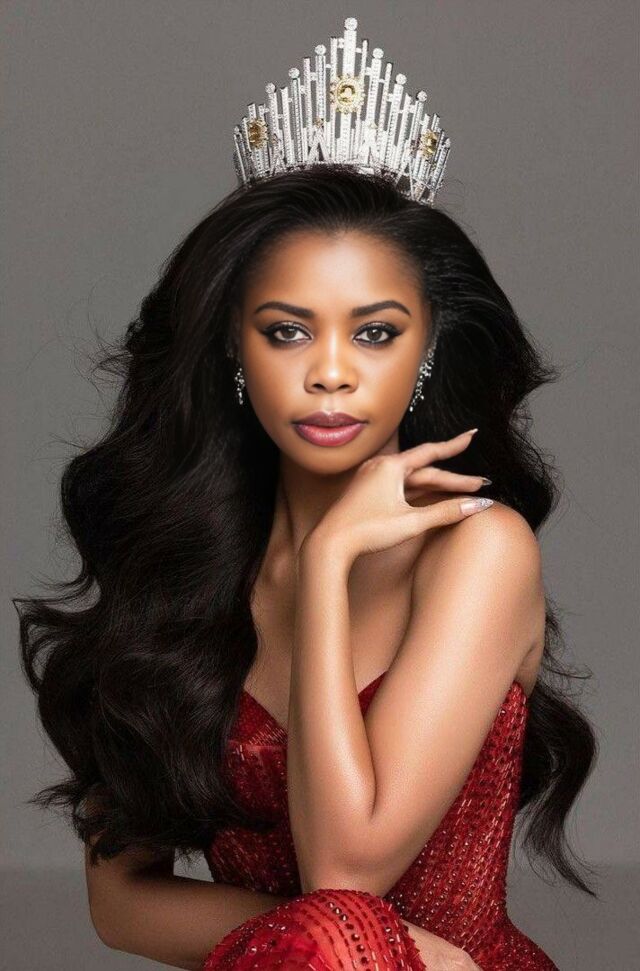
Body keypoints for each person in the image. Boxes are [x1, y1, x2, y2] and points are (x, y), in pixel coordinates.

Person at [15, 16, 598, 971]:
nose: (331, 372)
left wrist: (326, 565)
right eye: (288, 331)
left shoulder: (480, 550)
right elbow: (121, 906)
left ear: (426, 350)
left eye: (375, 333)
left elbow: (345, 868)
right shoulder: (181, 560)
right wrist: (323, 938)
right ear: (233, 350)